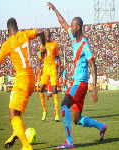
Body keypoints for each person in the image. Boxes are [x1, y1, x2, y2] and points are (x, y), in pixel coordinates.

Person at [0, 18, 46, 150]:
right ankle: (16, 133)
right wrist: (43, 46)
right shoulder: (25, 34)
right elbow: (42, 32)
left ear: (8, 29)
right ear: (17, 27)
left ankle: (26, 146)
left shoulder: (8, 43)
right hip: (31, 80)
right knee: (18, 113)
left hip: (22, 79)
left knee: (12, 116)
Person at [47, 2, 107, 149]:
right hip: (78, 83)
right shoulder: (74, 38)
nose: (70, 28)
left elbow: (93, 64)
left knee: (63, 106)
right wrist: (55, 9)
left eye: (73, 26)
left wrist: (94, 89)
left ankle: (69, 142)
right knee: (76, 119)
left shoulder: (85, 45)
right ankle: (101, 126)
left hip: (80, 83)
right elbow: (63, 23)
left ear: (78, 27)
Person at [38, 28, 61, 122]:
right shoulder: (42, 45)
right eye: (46, 34)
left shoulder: (54, 44)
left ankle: (56, 113)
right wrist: (39, 67)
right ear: (44, 35)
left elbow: (58, 57)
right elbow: (40, 58)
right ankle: (44, 110)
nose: (47, 35)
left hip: (53, 68)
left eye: (48, 34)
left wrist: (59, 68)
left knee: (55, 88)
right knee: (42, 88)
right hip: (45, 68)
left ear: (50, 35)